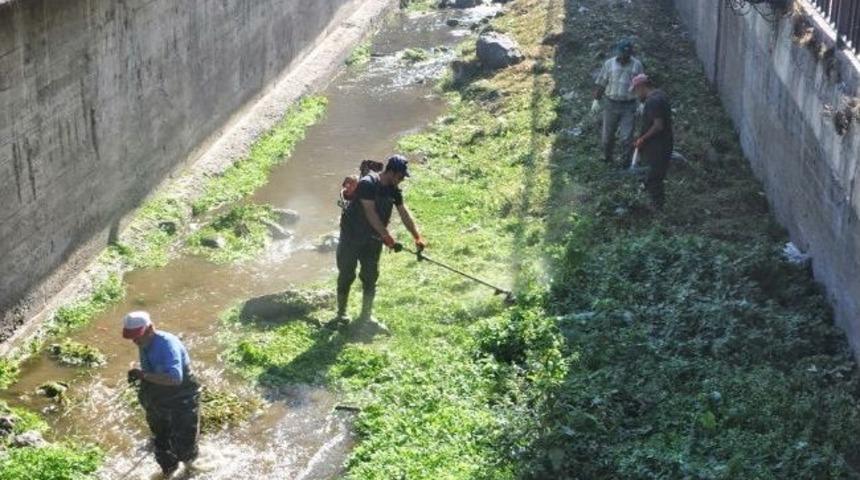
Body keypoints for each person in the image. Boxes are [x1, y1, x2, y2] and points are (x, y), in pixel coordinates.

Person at [335, 155, 426, 331]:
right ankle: (341, 316)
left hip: (372, 240)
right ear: (390, 172)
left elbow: (404, 213)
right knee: (346, 274)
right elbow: (371, 214)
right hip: (351, 237)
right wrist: (387, 237)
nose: (400, 181)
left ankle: (366, 318)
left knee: (370, 277)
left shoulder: (393, 190)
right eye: (400, 176)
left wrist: (417, 236)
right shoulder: (368, 184)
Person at [123, 311, 201, 478]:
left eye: (138, 336)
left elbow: (175, 378)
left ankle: (190, 470)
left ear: (150, 328)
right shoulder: (144, 343)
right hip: (158, 395)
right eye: (132, 338)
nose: (135, 341)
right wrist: (138, 374)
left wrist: (143, 375)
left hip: (183, 395)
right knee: (161, 440)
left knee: (184, 443)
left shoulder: (167, 345)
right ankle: (168, 471)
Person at [593, 38, 644, 167]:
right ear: (617, 52)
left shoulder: (637, 65)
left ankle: (625, 162)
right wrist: (596, 100)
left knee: (626, 137)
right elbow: (601, 82)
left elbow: (641, 86)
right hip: (611, 104)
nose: (623, 58)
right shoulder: (609, 64)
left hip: (629, 105)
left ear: (630, 54)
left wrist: (642, 102)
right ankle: (607, 158)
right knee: (607, 136)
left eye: (626, 55)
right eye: (621, 54)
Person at [632, 73, 674, 209]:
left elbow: (658, 125)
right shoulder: (661, 95)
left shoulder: (653, 101)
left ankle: (657, 209)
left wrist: (643, 138)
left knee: (654, 177)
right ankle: (655, 205)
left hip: (657, 146)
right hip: (662, 143)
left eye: (636, 91)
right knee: (654, 176)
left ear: (642, 86)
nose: (637, 95)